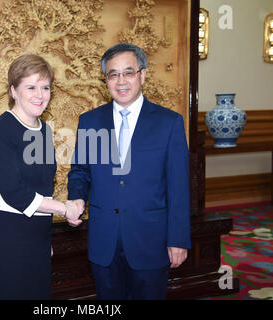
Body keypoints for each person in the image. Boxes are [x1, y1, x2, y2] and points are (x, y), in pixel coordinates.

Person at [67, 43, 191, 300]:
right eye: (113, 74)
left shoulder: (169, 123)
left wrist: (178, 239)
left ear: (143, 75)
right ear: (106, 81)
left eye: (129, 72)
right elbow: (80, 170)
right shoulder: (90, 121)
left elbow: (178, 187)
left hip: (151, 242)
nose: (121, 81)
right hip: (104, 242)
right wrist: (77, 196)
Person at [0, 54, 82, 300]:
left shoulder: (44, 131)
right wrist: (64, 209)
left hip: (36, 234)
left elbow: (44, 185)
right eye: (31, 87)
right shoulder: (0, 130)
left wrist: (44, 238)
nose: (40, 94)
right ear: (14, 91)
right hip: (6, 234)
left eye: (45, 87)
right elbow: (15, 192)